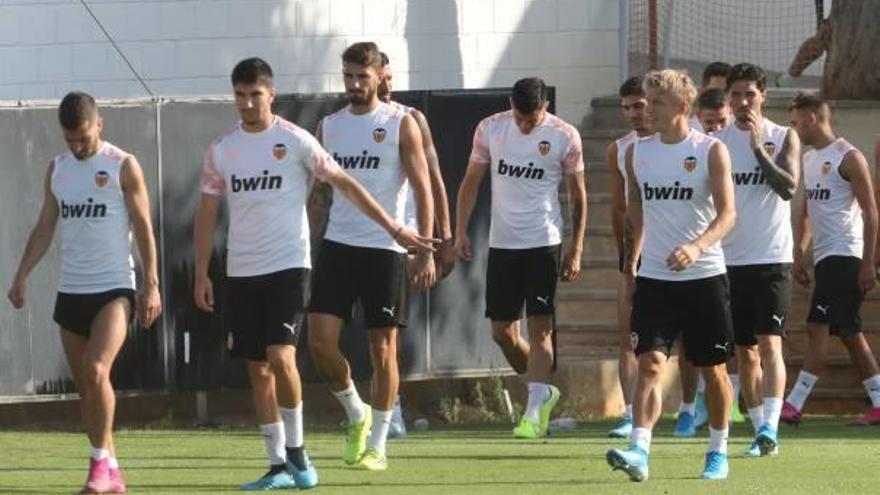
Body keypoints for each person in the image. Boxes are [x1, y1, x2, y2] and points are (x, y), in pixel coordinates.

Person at [194, 57, 433, 489]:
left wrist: (397, 227)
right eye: (240, 95)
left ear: (271, 94)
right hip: (241, 269)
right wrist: (200, 272)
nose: (248, 104)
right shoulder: (222, 149)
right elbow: (207, 213)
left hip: (290, 265)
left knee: (283, 356)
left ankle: (303, 452)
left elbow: (344, 184)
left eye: (255, 95)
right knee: (257, 368)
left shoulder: (297, 140)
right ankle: (277, 466)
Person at [7, 91, 162, 494]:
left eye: (82, 137)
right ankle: (112, 471)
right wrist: (21, 274)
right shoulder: (57, 170)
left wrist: (151, 284)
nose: (76, 146)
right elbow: (44, 227)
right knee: (87, 388)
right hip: (71, 291)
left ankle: (97, 468)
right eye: (68, 139)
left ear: (99, 125)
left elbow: (144, 226)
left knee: (97, 370)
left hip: (114, 288)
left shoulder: (122, 165)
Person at [307, 41, 437, 472]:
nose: (354, 84)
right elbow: (321, 191)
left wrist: (423, 248)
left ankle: (378, 443)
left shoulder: (401, 123)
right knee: (320, 342)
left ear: (381, 75)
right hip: (338, 247)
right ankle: (356, 412)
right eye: (347, 76)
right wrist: (305, 238)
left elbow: (422, 188)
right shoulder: (329, 126)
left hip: (386, 250)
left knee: (383, 348)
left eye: (362, 76)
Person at [605, 69, 736, 482]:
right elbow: (636, 208)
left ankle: (717, 450)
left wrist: (697, 246)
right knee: (650, 364)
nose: (647, 109)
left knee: (713, 369)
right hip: (656, 280)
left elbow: (728, 213)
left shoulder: (711, 150)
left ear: (682, 107)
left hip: (704, 277)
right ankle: (639, 451)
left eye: (656, 102)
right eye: (645, 101)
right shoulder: (636, 153)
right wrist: (634, 259)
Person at [455, 77, 587, 439]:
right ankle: (542, 392)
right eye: (519, 117)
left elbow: (578, 196)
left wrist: (575, 248)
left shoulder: (564, 135)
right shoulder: (491, 128)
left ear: (545, 107)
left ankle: (532, 411)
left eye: (532, 118)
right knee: (502, 332)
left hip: (543, 242)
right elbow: (470, 181)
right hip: (502, 244)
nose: (525, 124)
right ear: (510, 105)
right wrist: (460, 230)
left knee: (541, 327)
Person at [714, 63, 800, 456]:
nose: (743, 102)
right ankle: (756, 428)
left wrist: (757, 149)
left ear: (763, 95)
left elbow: (788, 187)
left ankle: (770, 429)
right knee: (744, 353)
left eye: (750, 94)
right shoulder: (714, 143)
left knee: (770, 346)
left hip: (772, 259)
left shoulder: (785, 136)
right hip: (727, 260)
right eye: (736, 95)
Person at [783, 92, 880, 426]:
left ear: (811, 118)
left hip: (846, 253)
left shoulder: (848, 156)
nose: (793, 129)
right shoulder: (809, 160)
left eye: (795, 122)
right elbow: (808, 213)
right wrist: (800, 254)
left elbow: (871, 212)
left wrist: (868, 262)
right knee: (850, 332)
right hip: (825, 257)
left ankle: (794, 404)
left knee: (817, 326)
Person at [377, 51, 456, 439]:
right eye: (382, 78)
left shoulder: (410, 119)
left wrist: (444, 237)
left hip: (410, 235)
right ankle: (386, 406)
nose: (388, 86)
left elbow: (435, 179)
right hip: (366, 237)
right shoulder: (344, 124)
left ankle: (393, 411)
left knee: (390, 329)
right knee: (378, 332)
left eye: (391, 77)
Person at [607, 76, 658, 439]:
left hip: (673, 250)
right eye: (626, 108)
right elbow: (619, 204)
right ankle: (628, 413)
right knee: (627, 336)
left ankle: (695, 406)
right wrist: (625, 255)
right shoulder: (620, 149)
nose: (633, 114)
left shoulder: (677, 143)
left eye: (638, 105)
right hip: (634, 251)